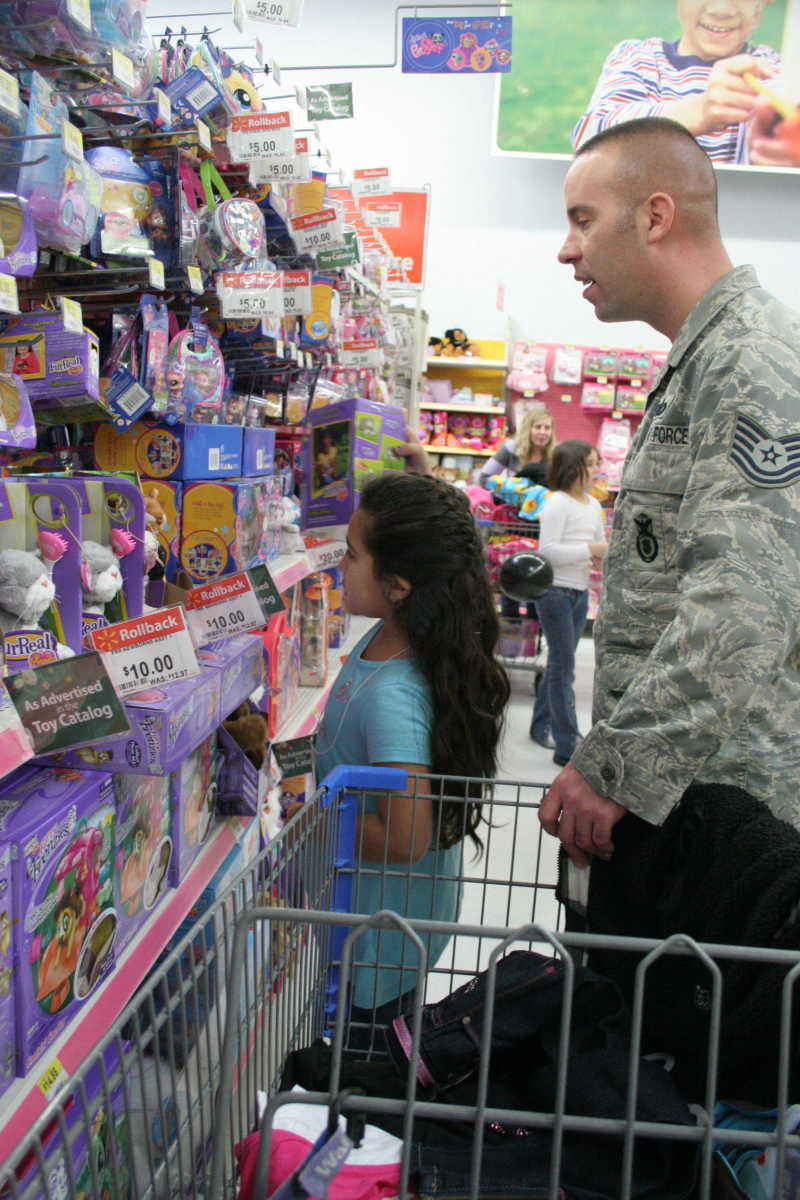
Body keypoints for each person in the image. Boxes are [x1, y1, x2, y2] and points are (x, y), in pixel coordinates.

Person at [541, 115, 800, 868]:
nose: (566, 249)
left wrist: (616, 768)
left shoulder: (751, 358)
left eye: (583, 219)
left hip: (721, 826)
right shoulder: (708, 355)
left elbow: (743, 603)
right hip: (681, 808)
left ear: (656, 217)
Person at [314, 471, 509, 1029]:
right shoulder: (390, 639)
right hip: (376, 917)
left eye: (352, 554)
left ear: (398, 585)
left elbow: (405, 838)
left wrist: (306, 817)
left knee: (359, 1061)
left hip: (375, 939)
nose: (340, 564)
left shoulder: (395, 697)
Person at [572, 0, 791, 167]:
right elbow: (588, 142)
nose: (721, 10)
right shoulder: (639, 58)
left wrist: (777, 141)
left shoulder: (774, 69)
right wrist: (700, 112)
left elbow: (780, 118)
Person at [530, 441, 607, 766]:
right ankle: (567, 745)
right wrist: (591, 550)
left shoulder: (593, 505)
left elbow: (599, 544)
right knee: (564, 669)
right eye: (590, 464)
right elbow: (546, 552)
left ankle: (540, 726)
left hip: (578, 593)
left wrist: (599, 555)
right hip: (554, 592)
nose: (596, 470)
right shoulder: (557, 503)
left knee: (560, 664)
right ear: (572, 468)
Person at [479, 405, 556, 488]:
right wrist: (508, 488)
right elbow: (484, 478)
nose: (542, 432)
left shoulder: (556, 455)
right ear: (527, 429)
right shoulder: (511, 448)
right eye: (538, 427)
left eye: (547, 428)